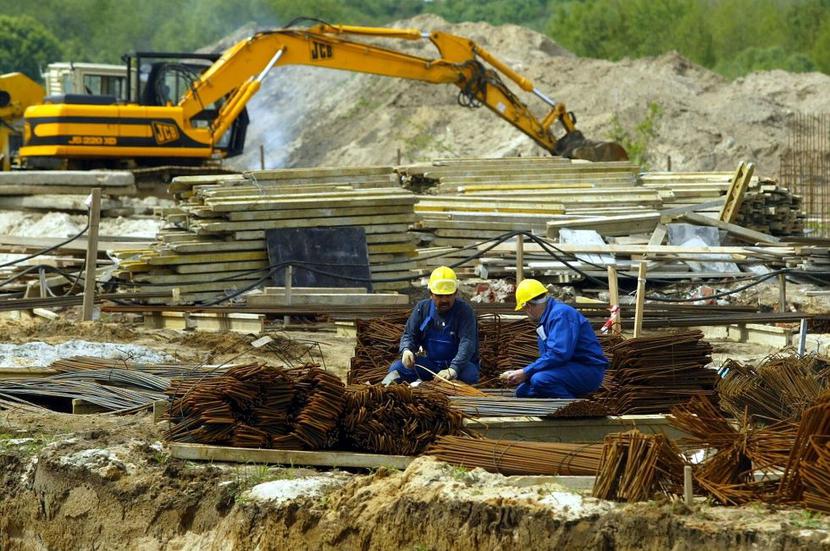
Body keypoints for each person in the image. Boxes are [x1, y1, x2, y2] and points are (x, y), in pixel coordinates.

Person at [501, 279, 607, 398]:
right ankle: (568, 399)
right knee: (523, 391)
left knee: (540, 380)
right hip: (568, 368)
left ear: (528, 306)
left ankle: (574, 408)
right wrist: (524, 373)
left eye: (524, 309)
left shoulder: (560, 315)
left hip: (587, 370)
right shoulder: (548, 318)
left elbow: (558, 353)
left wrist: (526, 372)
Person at [382, 266, 479, 385]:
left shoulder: (464, 312)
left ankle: (446, 380)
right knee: (397, 368)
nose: (444, 300)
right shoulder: (422, 309)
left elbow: (467, 343)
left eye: (448, 295)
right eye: (439, 295)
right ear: (430, 293)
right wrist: (406, 350)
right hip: (431, 364)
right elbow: (409, 335)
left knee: (470, 374)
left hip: (458, 366)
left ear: (456, 293)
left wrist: (454, 368)